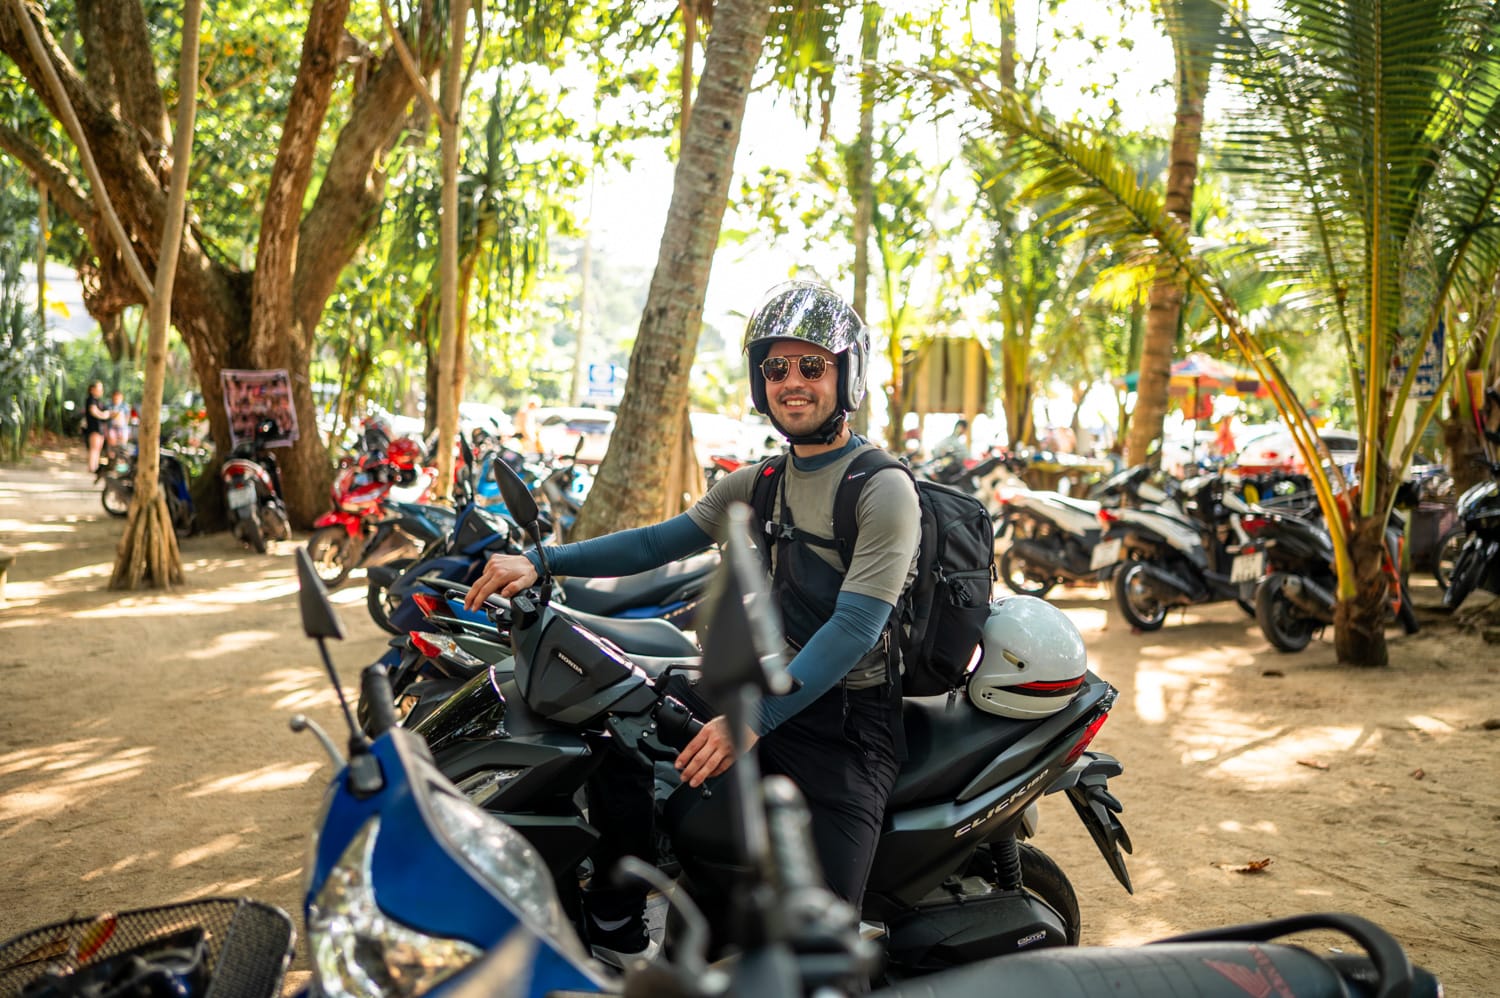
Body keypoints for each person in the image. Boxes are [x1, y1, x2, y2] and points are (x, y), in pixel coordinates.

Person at [464, 281, 920, 965]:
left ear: (846, 376)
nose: (791, 382)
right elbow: (655, 543)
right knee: (611, 723)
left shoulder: (881, 488)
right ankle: (615, 923)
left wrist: (750, 722)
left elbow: (854, 628)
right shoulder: (762, 481)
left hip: (845, 724)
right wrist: (541, 561)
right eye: (775, 368)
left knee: (816, 944)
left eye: (811, 366)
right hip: (761, 689)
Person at [83, 381, 109, 474]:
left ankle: (95, 467)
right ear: (92, 389)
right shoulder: (91, 400)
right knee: (94, 448)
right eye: (99, 389)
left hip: (100, 428)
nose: (101, 391)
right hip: (93, 428)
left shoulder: (98, 401)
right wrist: (104, 415)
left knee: (97, 449)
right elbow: (94, 412)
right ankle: (92, 467)